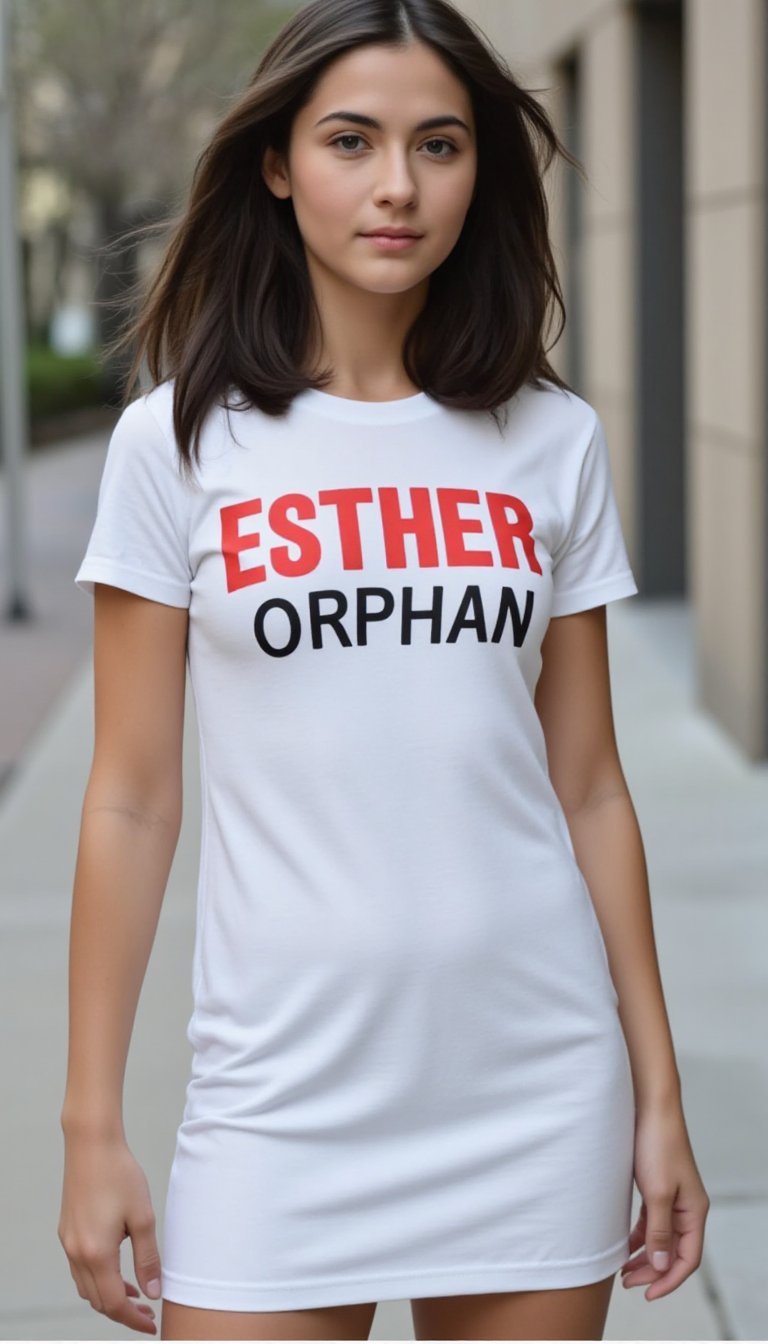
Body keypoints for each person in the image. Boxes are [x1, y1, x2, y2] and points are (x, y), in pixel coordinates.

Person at [58, 0, 710, 1339]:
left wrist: (657, 1093)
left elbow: (589, 789)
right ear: (279, 163)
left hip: (531, 1085)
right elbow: (130, 798)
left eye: (442, 144)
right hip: (276, 1103)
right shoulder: (174, 449)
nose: (400, 186)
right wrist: (90, 1123)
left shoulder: (551, 440)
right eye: (352, 140)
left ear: (483, 172)